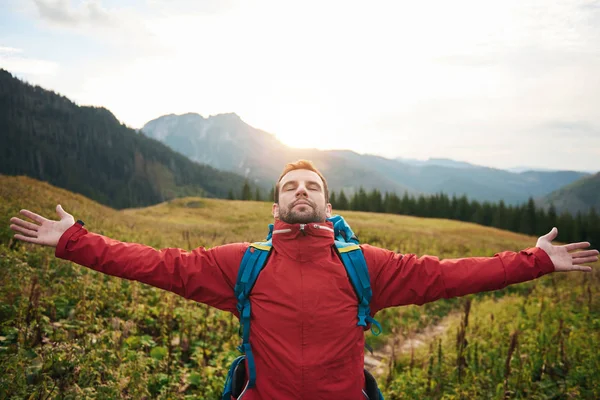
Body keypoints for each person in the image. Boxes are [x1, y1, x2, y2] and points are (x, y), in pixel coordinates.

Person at [9, 160, 598, 400]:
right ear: (274, 208)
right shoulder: (241, 261)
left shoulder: (365, 264)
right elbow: (158, 264)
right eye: (289, 186)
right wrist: (74, 242)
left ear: (327, 203)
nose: (301, 192)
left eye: (311, 186)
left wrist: (538, 260)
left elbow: (451, 275)